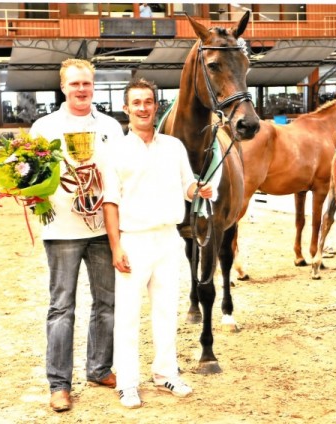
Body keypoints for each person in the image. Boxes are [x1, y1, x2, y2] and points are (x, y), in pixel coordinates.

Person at [103, 77, 213, 409]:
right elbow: (110, 202)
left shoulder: (174, 146)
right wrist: (115, 247)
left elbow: (187, 186)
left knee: (166, 311)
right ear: (126, 109)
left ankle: (165, 373)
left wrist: (199, 190)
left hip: (169, 239)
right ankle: (127, 382)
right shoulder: (115, 151)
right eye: (136, 102)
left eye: (148, 102)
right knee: (128, 315)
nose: (142, 108)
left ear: (156, 106)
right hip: (133, 241)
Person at [29, 58, 125, 413]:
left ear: (93, 85)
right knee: (61, 307)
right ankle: (59, 383)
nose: (81, 89)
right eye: (74, 84)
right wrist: (33, 195)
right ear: (63, 87)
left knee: (106, 304)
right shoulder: (44, 126)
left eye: (86, 83)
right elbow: (30, 175)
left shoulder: (112, 127)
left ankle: (99, 368)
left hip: (103, 227)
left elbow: (121, 175)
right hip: (62, 230)